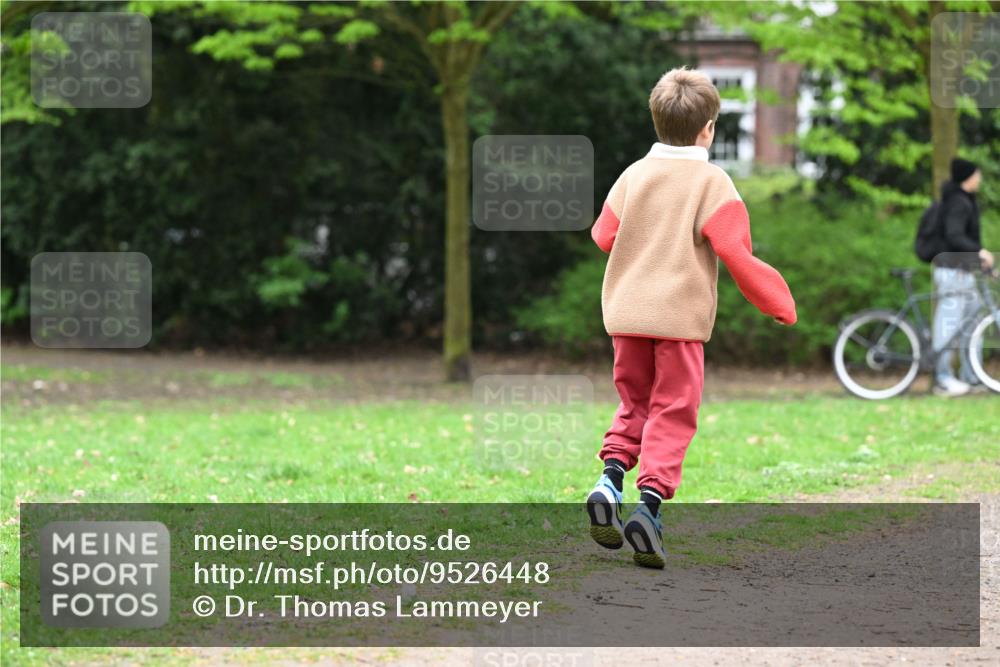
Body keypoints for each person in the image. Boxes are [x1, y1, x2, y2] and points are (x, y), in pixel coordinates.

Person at [585, 67, 797, 569]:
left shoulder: (633, 175)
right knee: (673, 409)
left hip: (627, 316)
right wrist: (777, 302)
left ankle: (609, 483)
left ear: (657, 121)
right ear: (709, 129)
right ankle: (648, 509)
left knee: (634, 403)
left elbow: (603, 236)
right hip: (678, 322)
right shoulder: (713, 182)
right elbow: (735, 252)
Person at [932, 158, 994, 397]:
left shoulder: (964, 200)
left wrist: (985, 268)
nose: (980, 178)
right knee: (947, 326)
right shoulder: (958, 202)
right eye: (977, 174)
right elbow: (955, 236)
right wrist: (979, 252)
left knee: (973, 324)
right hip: (953, 273)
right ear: (968, 177)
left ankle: (973, 377)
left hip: (963, 273)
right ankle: (943, 379)